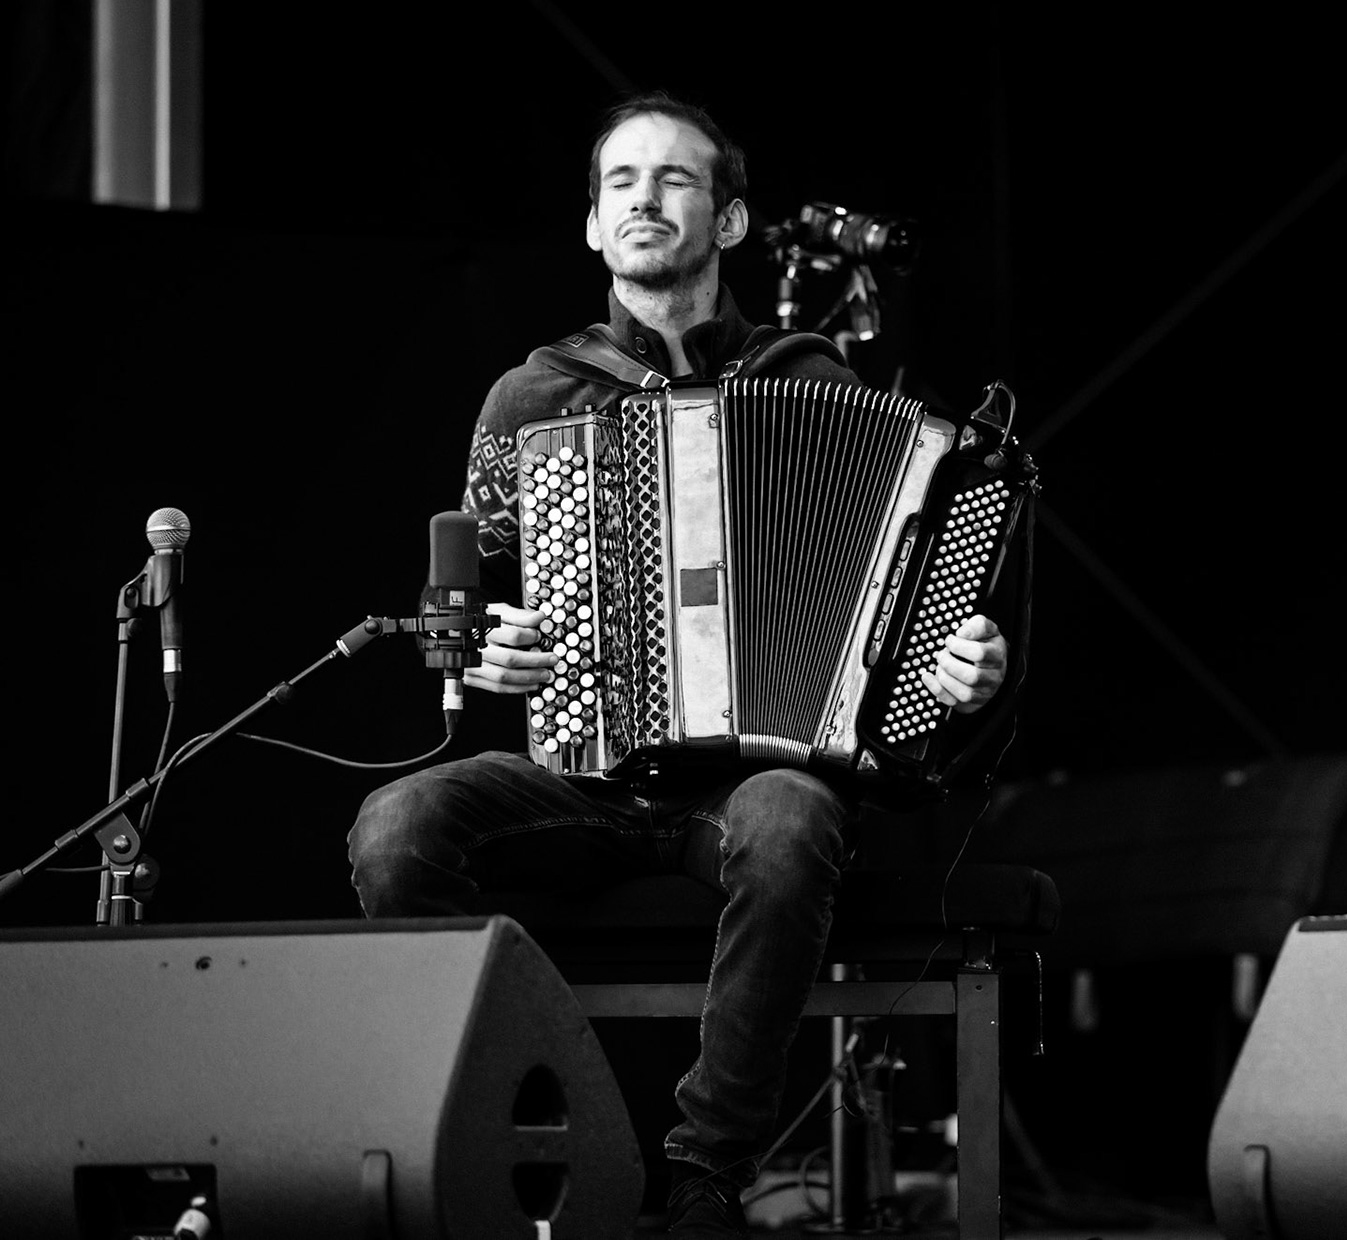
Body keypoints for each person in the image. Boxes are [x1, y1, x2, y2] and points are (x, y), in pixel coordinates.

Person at [346, 92, 1019, 1238]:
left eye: (675, 180)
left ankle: (701, 1178)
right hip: (580, 780)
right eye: (621, 184)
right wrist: (480, 645)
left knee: (792, 819)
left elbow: (898, 604)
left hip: (751, 789)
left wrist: (964, 663)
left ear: (736, 219)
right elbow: (456, 597)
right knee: (395, 829)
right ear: (595, 229)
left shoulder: (811, 378)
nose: (645, 200)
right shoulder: (534, 395)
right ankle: (515, 1122)